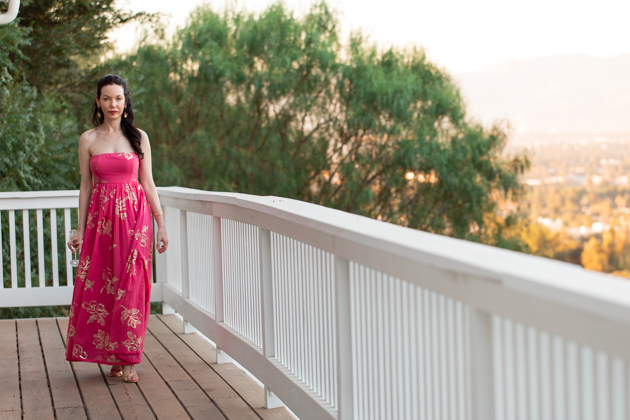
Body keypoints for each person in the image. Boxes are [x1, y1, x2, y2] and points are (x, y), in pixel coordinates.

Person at [65, 74, 168, 383]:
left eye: (118, 98)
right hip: (100, 223)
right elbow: (85, 187)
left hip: (135, 220)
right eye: (107, 98)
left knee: (133, 286)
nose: (113, 104)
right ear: (98, 101)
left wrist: (160, 223)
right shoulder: (88, 139)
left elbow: (147, 183)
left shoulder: (138, 137)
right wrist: (80, 230)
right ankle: (113, 355)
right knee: (104, 286)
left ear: (126, 102)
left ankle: (128, 359)